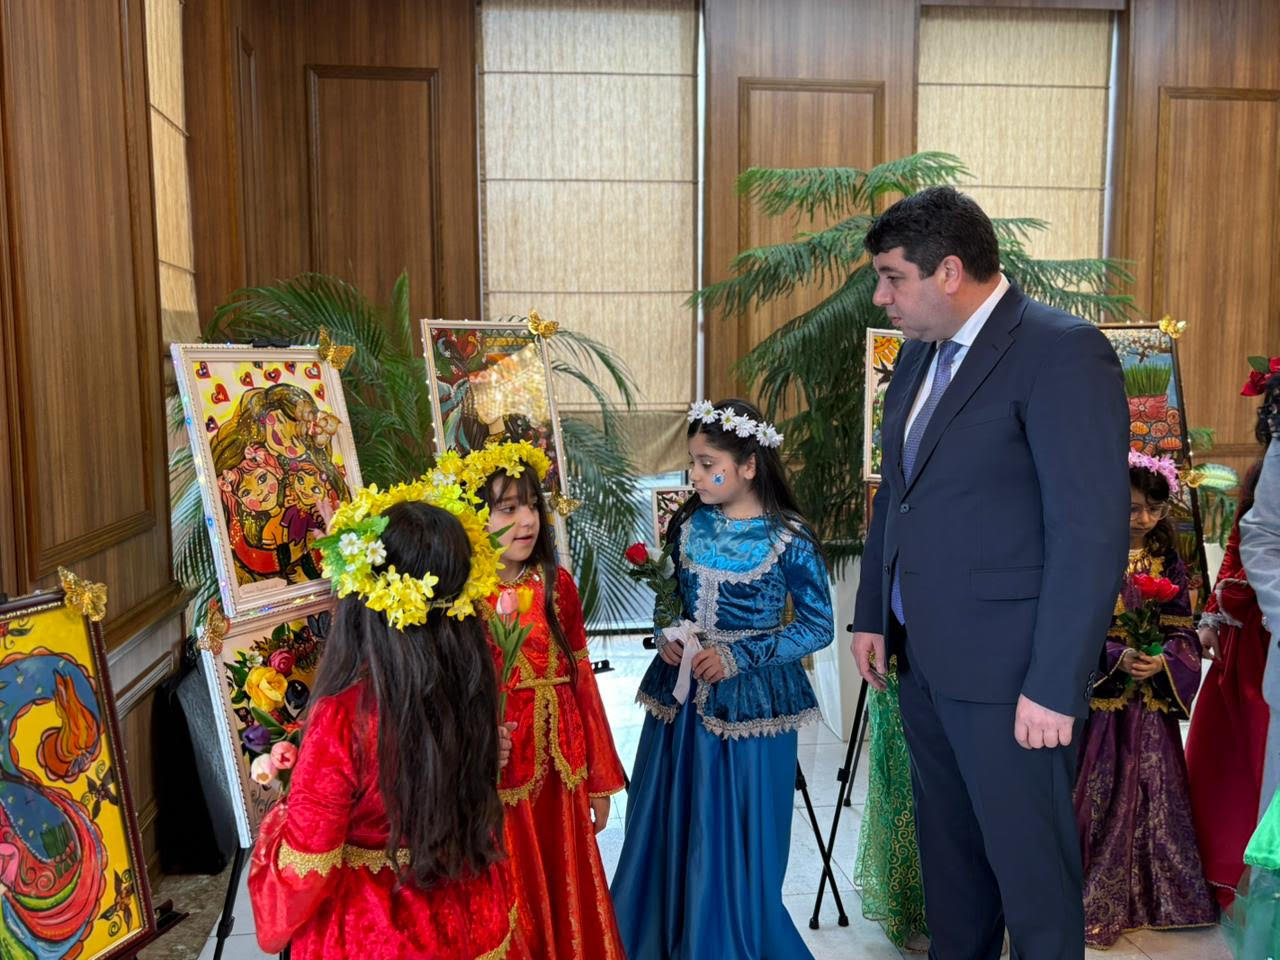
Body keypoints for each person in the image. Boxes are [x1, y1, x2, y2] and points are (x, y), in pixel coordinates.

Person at [849, 186, 1130, 960]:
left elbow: (1089, 532)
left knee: (1032, 880)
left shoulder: (1061, 351)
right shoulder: (917, 355)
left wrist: (1055, 683)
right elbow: (896, 495)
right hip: (924, 663)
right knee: (953, 873)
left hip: (1014, 678)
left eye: (891, 278)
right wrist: (872, 612)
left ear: (948, 271)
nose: (881, 298)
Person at [247, 478, 525, 959]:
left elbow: (305, 865)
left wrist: (275, 825)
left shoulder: (345, 715)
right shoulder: (475, 675)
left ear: (365, 598)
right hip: (466, 909)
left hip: (373, 927)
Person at [609, 398, 834, 959]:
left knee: (736, 832)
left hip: (751, 707)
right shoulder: (688, 524)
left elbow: (817, 626)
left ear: (749, 465)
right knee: (671, 821)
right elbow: (669, 601)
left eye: (707, 464)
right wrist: (666, 634)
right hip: (680, 704)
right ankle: (664, 935)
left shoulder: (789, 538)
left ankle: (727, 941)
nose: (694, 474)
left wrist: (741, 656)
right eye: (693, 462)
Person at [449, 440, 628, 959]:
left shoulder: (556, 585)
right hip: (501, 767)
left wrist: (600, 778)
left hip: (560, 768)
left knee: (566, 879)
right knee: (515, 888)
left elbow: (583, 681)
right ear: (475, 518)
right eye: (508, 508)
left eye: (531, 505)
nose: (526, 520)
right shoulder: (464, 595)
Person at [1072, 451, 1215, 947]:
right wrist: (1116, 656)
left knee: (1156, 793)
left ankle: (1161, 897)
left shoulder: (1167, 556)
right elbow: (1073, 625)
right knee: (1097, 793)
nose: (1145, 519)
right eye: (1133, 508)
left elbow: (1182, 628)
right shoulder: (1091, 551)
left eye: (1154, 509)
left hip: (1149, 701)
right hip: (1102, 701)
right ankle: (1090, 891)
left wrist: (1164, 659)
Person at [1186, 360, 1280, 908]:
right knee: (1247, 751)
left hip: (1258, 626)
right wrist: (1211, 616)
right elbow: (1243, 549)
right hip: (1256, 636)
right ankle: (1240, 872)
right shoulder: (1264, 475)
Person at [852, 661, 929, 951]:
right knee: (904, 781)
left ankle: (975, 910)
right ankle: (915, 909)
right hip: (899, 661)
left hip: (970, 664)